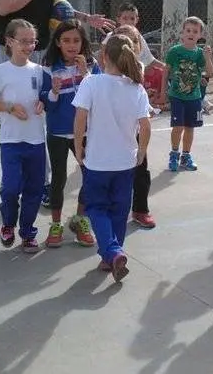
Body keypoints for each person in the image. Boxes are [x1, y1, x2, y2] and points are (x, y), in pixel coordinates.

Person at [72, 34, 151, 282]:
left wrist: (78, 146)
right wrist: (141, 151)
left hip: (98, 161)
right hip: (125, 162)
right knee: (119, 210)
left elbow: (80, 119)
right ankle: (111, 256)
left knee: (96, 208)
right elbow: (145, 125)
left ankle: (112, 251)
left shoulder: (91, 83)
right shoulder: (136, 88)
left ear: (104, 56)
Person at [0, 19, 48, 252]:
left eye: (32, 41)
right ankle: (8, 224)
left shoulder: (39, 71)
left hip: (36, 141)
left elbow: (45, 96)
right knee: (11, 188)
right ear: (9, 42)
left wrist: (43, 102)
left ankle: (28, 232)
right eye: (23, 41)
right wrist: (10, 107)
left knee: (35, 189)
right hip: (11, 141)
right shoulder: (0, 72)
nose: (29, 46)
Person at [40, 19, 98, 248]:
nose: (72, 45)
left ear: (83, 43)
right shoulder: (48, 69)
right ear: (57, 43)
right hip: (57, 132)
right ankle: (55, 224)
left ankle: (80, 219)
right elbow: (48, 105)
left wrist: (85, 76)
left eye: (76, 40)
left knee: (90, 175)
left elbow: (95, 100)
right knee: (59, 179)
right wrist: (53, 91)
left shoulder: (92, 66)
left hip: (83, 133)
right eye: (66, 41)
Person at [112, 24, 161, 228]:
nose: (128, 44)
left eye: (132, 41)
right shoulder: (105, 68)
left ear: (138, 47)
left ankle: (140, 210)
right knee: (112, 173)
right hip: (112, 131)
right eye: (123, 39)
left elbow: (136, 93)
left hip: (135, 130)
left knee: (141, 170)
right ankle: (108, 210)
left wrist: (147, 105)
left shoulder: (138, 68)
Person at [165, 16, 213, 172]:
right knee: (178, 126)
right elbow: (166, 72)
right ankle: (174, 153)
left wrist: (207, 57)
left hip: (194, 96)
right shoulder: (174, 51)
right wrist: (162, 92)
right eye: (188, 30)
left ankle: (186, 156)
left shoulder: (200, 53)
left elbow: (211, 72)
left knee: (190, 127)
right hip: (177, 95)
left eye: (195, 31)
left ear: (200, 35)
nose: (191, 34)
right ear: (182, 33)